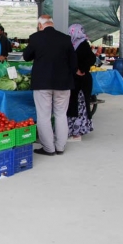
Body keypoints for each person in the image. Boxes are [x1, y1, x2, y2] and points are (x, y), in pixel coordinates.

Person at [22, 15, 77, 156]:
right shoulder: (65, 38)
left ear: (40, 26)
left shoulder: (35, 38)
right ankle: (60, 147)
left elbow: (26, 56)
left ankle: (48, 148)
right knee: (60, 115)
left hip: (42, 83)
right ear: (52, 24)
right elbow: (73, 63)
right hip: (63, 84)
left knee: (44, 116)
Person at [67, 24, 97, 141]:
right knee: (73, 105)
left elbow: (91, 59)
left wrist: (82, 69)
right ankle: (72, 131)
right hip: (75, 79)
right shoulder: (73, 44)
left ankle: (78, 132)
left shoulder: (83, 44)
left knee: (79, 105)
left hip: (82, 81)